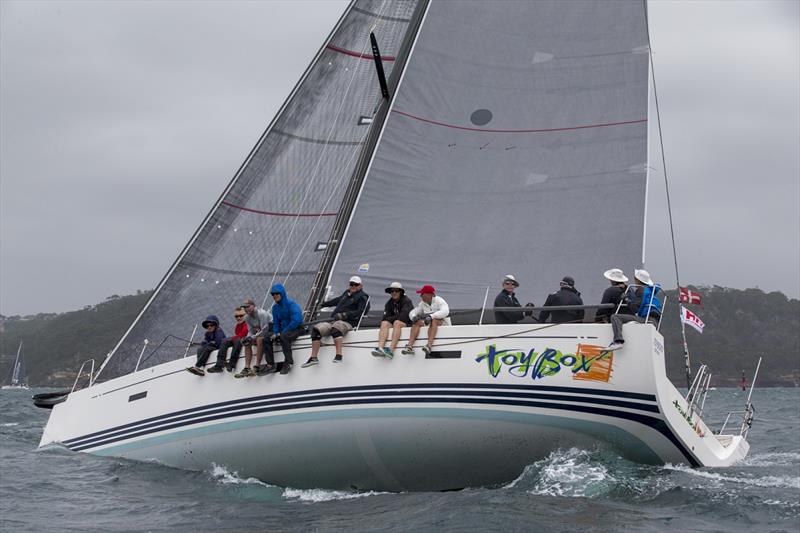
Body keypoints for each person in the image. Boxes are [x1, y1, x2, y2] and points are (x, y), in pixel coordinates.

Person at [301, 276, 369, 367]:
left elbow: (360, 311)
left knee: (336, 328)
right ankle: (313, 358)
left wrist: (344, 315)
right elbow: (337, 300)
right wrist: (324, 304)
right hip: (334, 320)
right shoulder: (347, 293)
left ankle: (339, 356)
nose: (353, 286)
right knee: (316, 329)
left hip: (349, 322)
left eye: (356, 285)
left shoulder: (362, 297)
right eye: (351, 284)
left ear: (361, 286)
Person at [607, 269, 663, 350]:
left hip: (646, 319)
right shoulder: (649, 291)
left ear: (637, 280)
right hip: (654, 321)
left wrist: (626, 299)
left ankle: (618, 341)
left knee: (615, 317)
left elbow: (635, 309)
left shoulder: (641, 290)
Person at [258, 283, 304, 376]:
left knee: (284, 336)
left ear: (282, 293)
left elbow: (296, 321)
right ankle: (270, 365)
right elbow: (276, 323)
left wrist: (281, 332)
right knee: (266, 338)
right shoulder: (275, 308)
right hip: (283, 331)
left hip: (296, 329)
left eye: (277, 293)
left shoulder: (292, 304)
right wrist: (275, 333)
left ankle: (288, 362)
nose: (274, 296)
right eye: (273, 294)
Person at [402, 285, 450, 356]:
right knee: (417, 322)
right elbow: (412, 312)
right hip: (430, 323)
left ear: (429, 294)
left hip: (443, 323)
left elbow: (445, 311)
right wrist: (413, 317)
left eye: (422, 294)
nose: (420, 296)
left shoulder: (439, 300)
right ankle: (409, 346)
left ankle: (429, 345)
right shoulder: (422, 303)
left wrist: (431, 316)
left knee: (434, 320)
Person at [371, 282, 413, 359]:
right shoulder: (389, 303)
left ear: (400, 292)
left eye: (396, 291)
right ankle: (380, 348)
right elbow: (384, 318)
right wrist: (391, 319)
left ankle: (391, 350)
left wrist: (391, 318)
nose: (394, 293)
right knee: (384, 323)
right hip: (397, 323)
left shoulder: (407, 301)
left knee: (397, 323)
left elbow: (403, 317)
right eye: (392, 291)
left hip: (408, 324)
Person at [235, 298, 273, 378]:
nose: (246, 309)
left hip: (270, 332)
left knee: (259, 339)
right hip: (260, 334)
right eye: (244, 307)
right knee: (246, 341)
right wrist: (248, 338)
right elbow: (250, 331)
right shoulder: (247, 317)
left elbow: (265, 329)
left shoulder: (262, 313)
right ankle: (247, 367)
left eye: (248, 307)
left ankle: (257, 366)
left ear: (253, 306)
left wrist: (252, 337)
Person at [205, 307, 249, 373]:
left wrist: (232, 338)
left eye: (241, 315)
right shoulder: (238, 325)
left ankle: (232, 364)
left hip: (247, 339)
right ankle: (219, 364)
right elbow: (237, 333)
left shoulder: (248, 322)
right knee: (225, 341)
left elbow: (243, 333)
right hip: (241, 339)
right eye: (236, 316)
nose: (238, 318)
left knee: (237, 340)